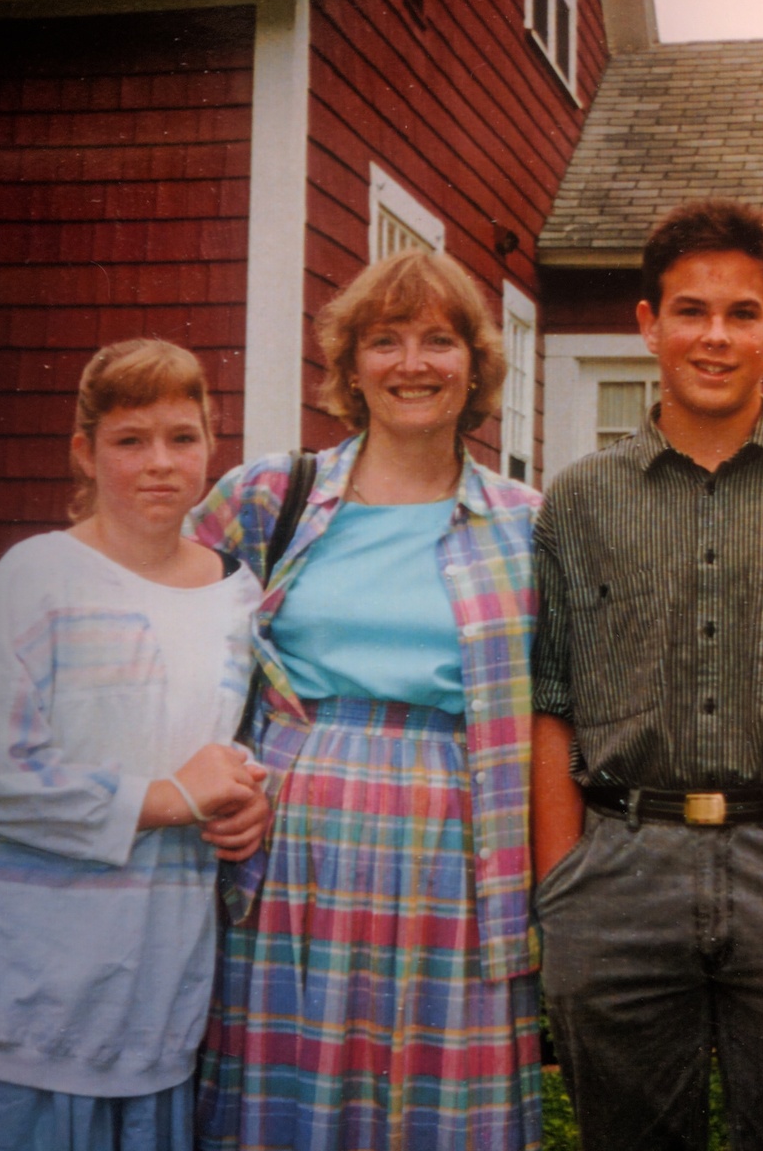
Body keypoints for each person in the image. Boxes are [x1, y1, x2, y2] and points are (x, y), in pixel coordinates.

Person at [531, 199, 763, 1151]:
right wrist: (565, 882)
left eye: (739, 314)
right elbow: (550, 703)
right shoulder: (578, 502)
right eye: (690, 311)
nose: (713, 337)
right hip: (620, 872)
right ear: (649, 324)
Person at [191, 248, 543, 1151]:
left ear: (475, 366)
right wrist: (199, 777)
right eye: (384, 341)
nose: (412, 364)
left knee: (438, 1105)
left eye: (438, 340)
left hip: (458, 852)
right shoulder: (273, 498)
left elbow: (562, 709)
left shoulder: (529, 526)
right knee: (291, 1098)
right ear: (350, 367)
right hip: (292, 848)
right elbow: (167, 631)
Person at [0, 338, 270, 1151]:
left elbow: (236, 752)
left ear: (212, 447)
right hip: (33, 1006)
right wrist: (166, 799)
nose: (159, 463)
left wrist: (250, 806)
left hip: (162, 1006)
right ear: (85, 451)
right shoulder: (36, 577)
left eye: (182, 438)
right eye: (129, 440)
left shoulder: (236, 598)